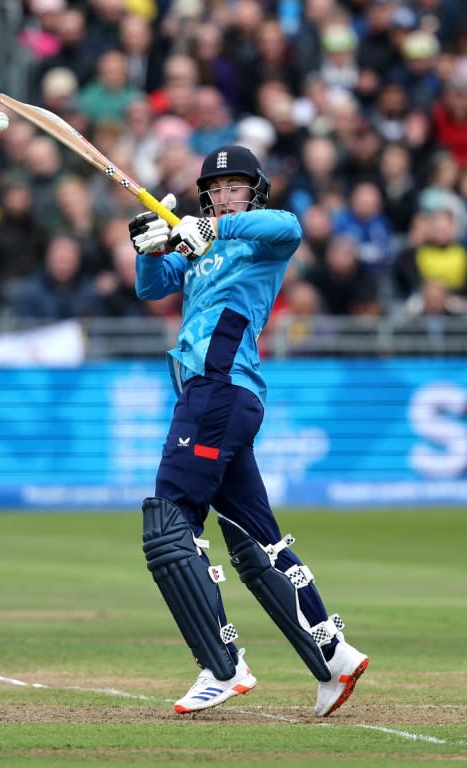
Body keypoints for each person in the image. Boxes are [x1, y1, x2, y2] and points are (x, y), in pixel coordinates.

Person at [128, 145, 369, 717]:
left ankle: (222, 664)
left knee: (169, 521)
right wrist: (147, 244)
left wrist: (211, 225)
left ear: (253, 190)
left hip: (218, 385)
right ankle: (333, 655)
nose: (222, 193)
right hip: (216, 394)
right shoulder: (202, 249)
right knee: (255, 538)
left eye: (234, 186)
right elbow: (151, 286)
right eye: (214, 188)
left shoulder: (264, 236)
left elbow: (287, 224)